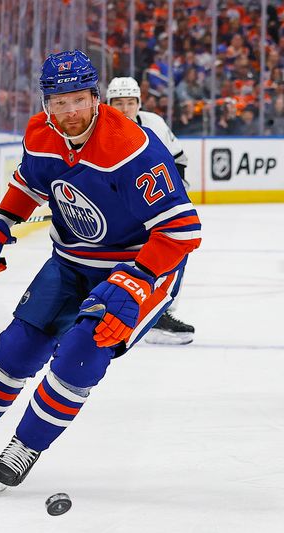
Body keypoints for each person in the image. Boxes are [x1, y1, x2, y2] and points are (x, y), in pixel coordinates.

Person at [0, 50, 201, 494]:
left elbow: (181, 231)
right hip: (73, 259)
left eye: (78, 99)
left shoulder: (131, 148)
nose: (70, 111)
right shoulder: (41, 133)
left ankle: (25, 445)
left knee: (82, 352)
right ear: (46, 104)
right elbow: (29, 183)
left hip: (139, 266)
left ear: (96, 98)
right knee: (17, 348)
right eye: (59, 102)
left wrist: (136, 279)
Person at [106, 76, 196, 345]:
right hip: (111, 212)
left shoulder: (154, 124)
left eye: (130, 102)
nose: (124, 109)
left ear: (139, 103)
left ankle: (159, 315)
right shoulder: (97, 131)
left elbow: (177, 159)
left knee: (173, 248)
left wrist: (174, 197)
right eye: (118, 103)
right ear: (108, 104)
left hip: (152, 209)